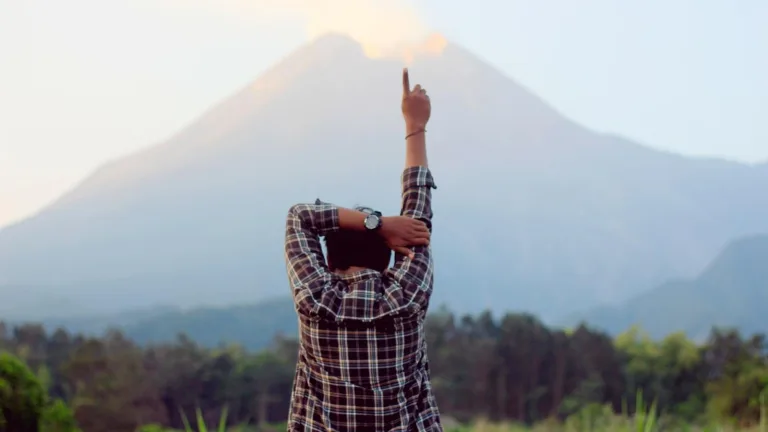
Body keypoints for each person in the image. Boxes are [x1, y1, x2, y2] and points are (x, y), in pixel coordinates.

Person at [284, 68, 442, 431]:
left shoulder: (316, 300)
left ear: (327, 258)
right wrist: (415, 123)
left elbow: (300, 216)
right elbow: (418, 210)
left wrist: (377, 223)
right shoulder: (406, 295)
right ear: (392, 254)